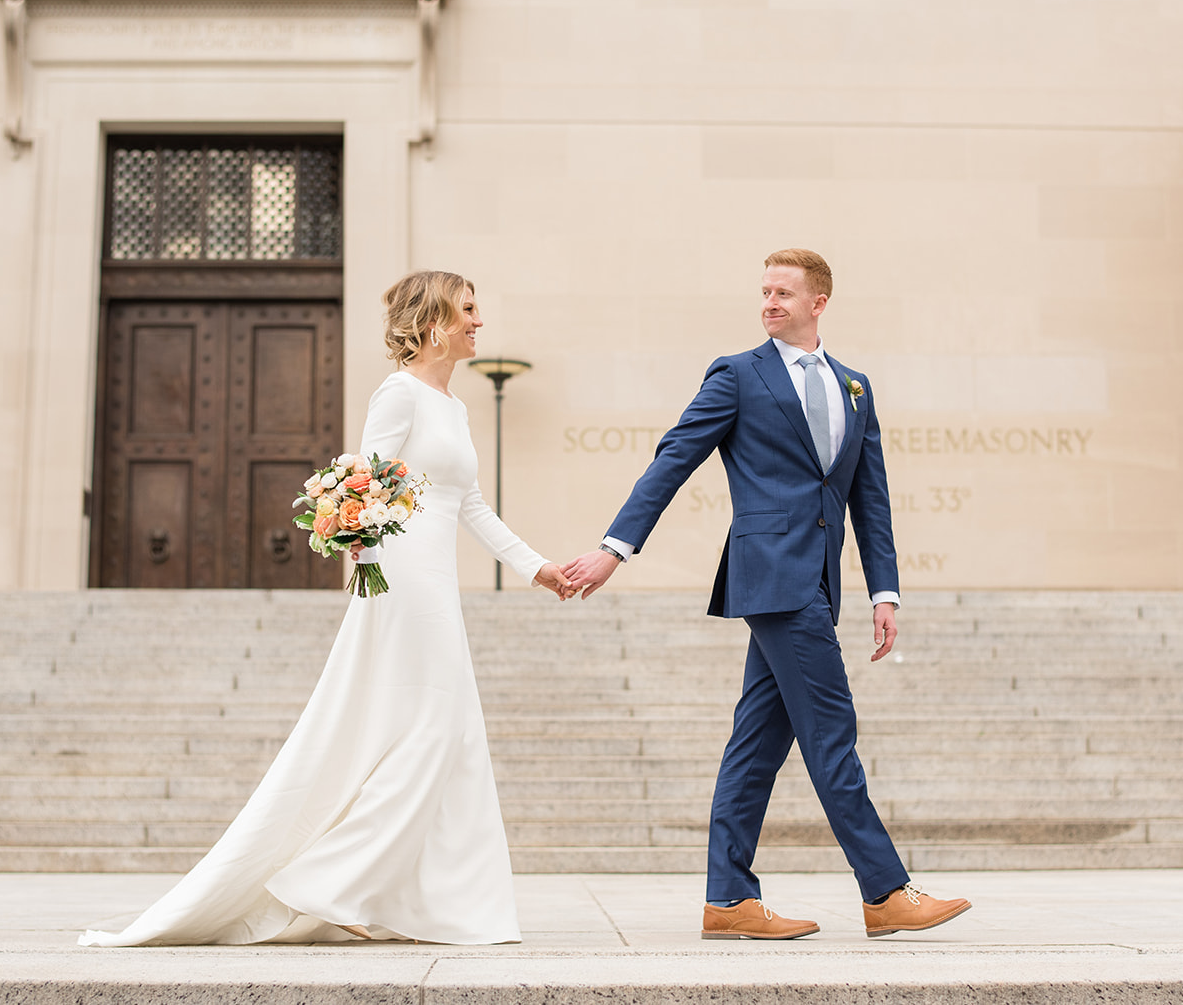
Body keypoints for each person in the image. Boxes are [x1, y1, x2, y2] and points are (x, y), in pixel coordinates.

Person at [81, 270, 574, 947]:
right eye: (467, 310)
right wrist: (365, 568)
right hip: (399, 576)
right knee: (432, 726)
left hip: (434, 577)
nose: (478, 322)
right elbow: (360, 488)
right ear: (433, 320)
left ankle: (423, 899)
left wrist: (536, 568)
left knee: (447, 728)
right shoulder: (398, 393)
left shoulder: (453, 407)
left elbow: (469, 504)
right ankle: (329, 881)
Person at [563, 249, 971, 940]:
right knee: (832, 731)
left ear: (819, 302)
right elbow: (674, 459)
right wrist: (615, 549)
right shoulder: (738, 375)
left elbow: (871, 499)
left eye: (784, 292)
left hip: (819, 580)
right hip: (771, 577)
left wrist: (885, 590)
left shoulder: (855, 388)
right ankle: (885, 890)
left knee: (756, 743)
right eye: (764, 291)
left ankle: (728, 901)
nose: (770, 302)